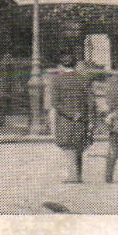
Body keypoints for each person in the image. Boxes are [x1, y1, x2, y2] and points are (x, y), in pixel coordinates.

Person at [47, 54, 96, 184]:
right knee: (78, 144)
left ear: (62, 66)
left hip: (65, 119)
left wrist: (71, 114)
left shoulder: (57, 80)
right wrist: (90, 118)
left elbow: (55, 102)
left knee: (68, 146)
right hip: (82, 118)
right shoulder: (83, 79)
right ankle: (78, 174)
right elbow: (91, 101)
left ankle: (73, 176)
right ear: (75, 65)